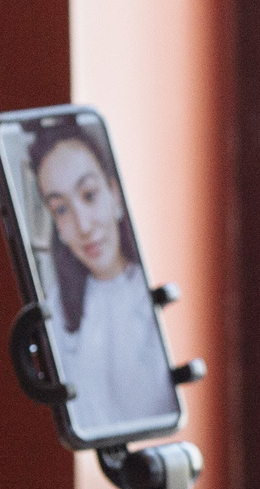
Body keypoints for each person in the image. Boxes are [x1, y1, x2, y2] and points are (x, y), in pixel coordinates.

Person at [26, 121, 177, 439]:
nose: (83, 225)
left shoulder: (156, 293)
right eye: (62, 209)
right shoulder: (56, 309)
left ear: (115, 195)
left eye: (89, 195)